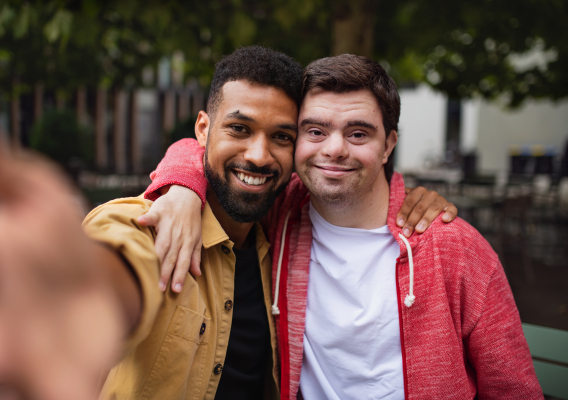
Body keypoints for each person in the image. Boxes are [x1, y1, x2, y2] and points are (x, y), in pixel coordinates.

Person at [0, 47, 451, 400]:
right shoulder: (153, 223)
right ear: (202, 129)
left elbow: (352, 181)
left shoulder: (284, 232)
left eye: (282, 136)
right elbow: (120, 264)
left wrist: (405, 198)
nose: (259, 155)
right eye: (238, 129)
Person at [142, 54, 543, 399]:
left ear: (388, 145)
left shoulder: (453, 248)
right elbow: (210, 149)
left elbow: (514, 390)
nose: (334, 149)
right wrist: (182, 189)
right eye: (315, 131)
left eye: (358, 133)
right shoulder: (279, 214)